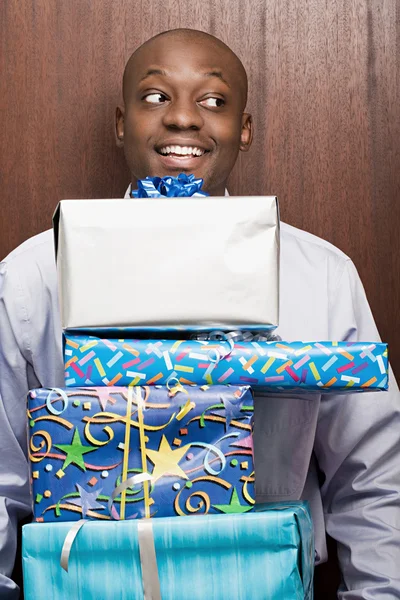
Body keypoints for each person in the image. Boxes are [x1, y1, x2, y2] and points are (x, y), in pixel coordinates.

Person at [0, 28, 399, 599]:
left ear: (245, 128)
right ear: (121, 122)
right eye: (157, 97)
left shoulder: (321, 276)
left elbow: (376, 474)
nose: (184, 119)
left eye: (213, 101)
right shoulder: (34, 276)